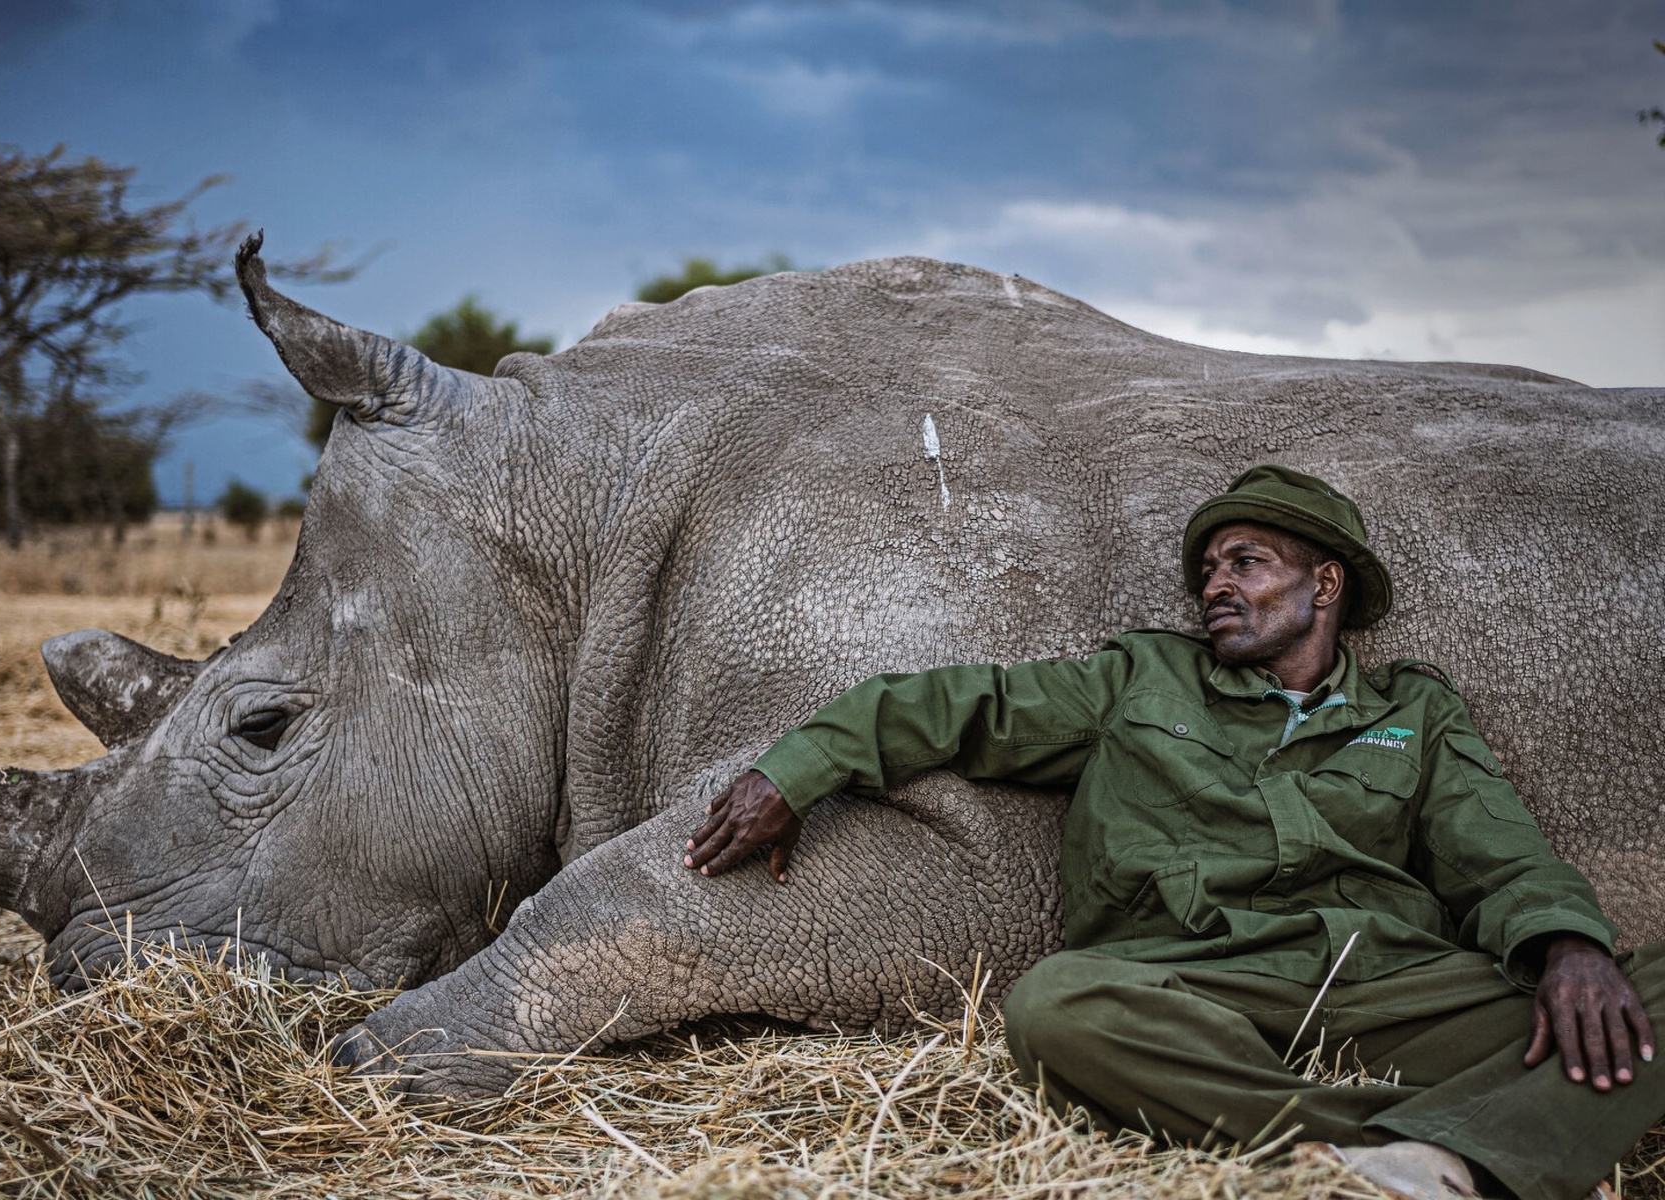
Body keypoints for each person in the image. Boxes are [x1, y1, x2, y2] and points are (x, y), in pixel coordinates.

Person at [681, 465, 1664, 1200]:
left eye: (1247, 563)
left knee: (1638, 990)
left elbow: (1498, 849)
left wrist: (1565, 944)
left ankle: (1432, 1156)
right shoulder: (1138, 680)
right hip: (1191, 987)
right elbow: (958, 706)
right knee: (1056, 1005)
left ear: (1326, 585)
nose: (1215, 587)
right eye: (1206, 570)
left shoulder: (1415, 710)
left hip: (1385, 982)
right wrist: (802, 766)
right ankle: (1429, 1154)